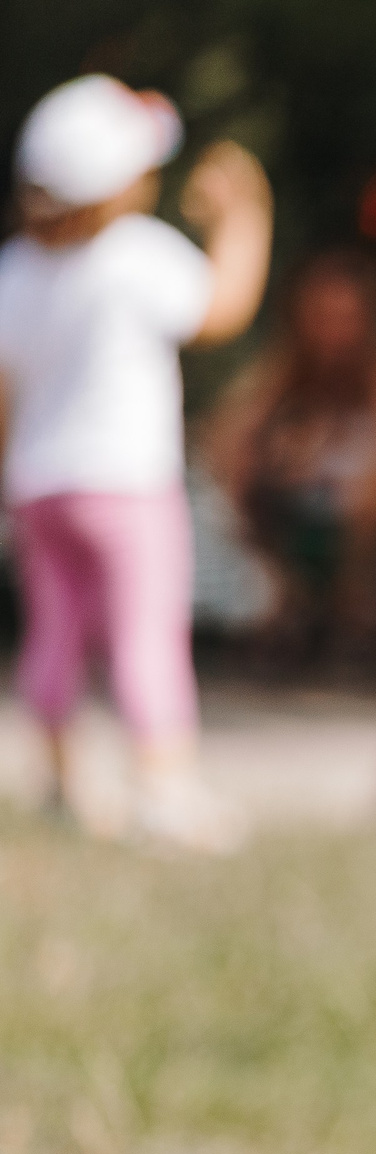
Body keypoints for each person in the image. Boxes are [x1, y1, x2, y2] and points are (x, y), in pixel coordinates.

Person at [0, 76, 270, 852]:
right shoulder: (134, 255)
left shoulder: (15, 270)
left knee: (52, 632)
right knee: (145, 632)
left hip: (37, 485)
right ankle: (162, 785)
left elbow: (4, 390)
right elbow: (223, 307)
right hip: (124, 483)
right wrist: (246, 215)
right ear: (121, 185)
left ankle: (58, 781)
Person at [203, 247, 376, 668]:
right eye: (322, 317)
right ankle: (289, 602)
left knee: (371, 492)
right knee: (243, 476)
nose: (333, 331)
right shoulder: (287, 364)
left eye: (345, 318)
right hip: (305, 490)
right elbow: (228, 434)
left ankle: (352, 615)